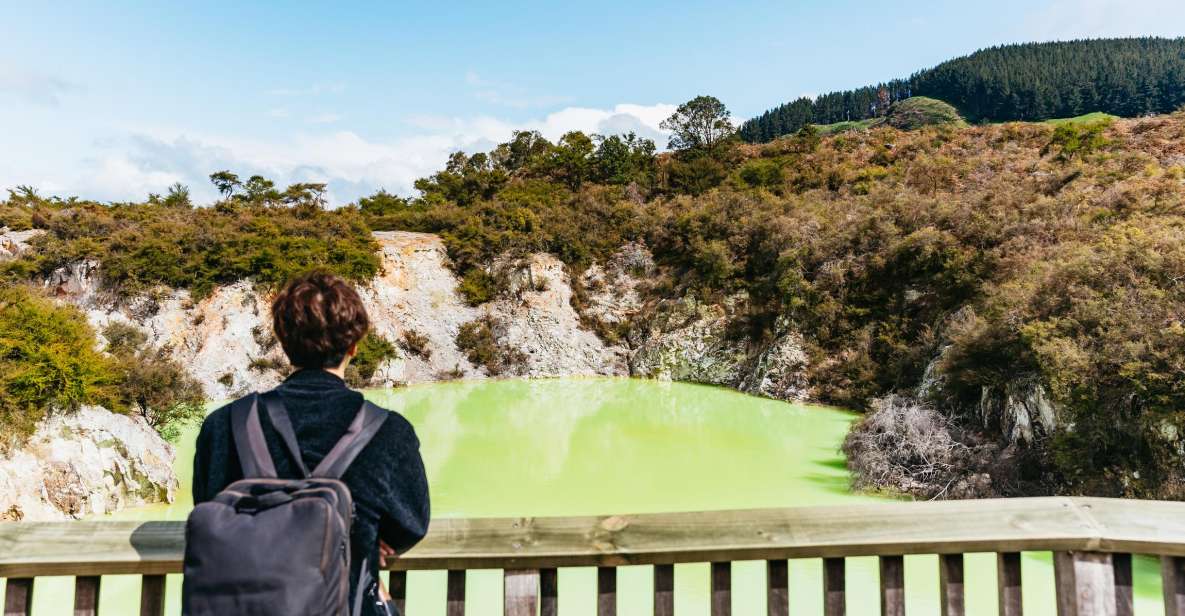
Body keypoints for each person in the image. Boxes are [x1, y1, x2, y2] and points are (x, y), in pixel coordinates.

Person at [191, 270, 430, 615]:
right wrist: (359, 536)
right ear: (354, 345)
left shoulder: (224, 425)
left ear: (283, 340)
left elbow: (208, 502)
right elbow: (410, 525)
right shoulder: (389, 432)